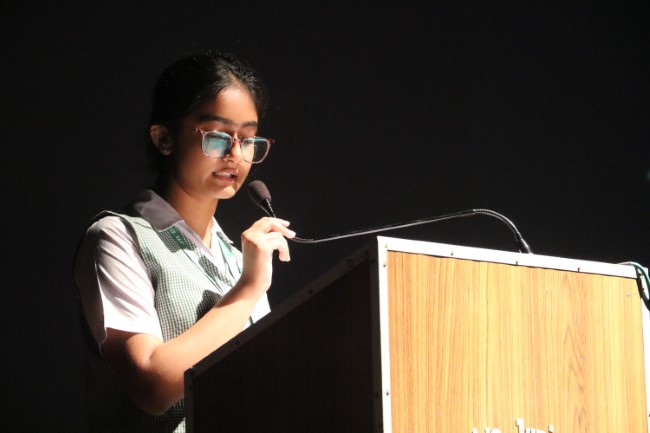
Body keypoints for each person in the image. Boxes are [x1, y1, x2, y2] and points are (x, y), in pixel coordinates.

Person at [73, 50, 294, 433]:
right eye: (217, 136)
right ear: (164, 138)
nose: (235, 155)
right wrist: (247, 290)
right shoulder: (117, 236)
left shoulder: (237, 257)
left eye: (247, 139)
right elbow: (152, 387)